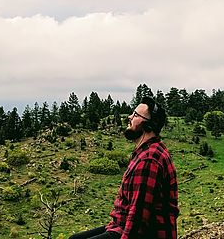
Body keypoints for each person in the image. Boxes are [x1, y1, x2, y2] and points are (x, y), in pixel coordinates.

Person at [69, 96, 179, 239]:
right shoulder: (146, 151)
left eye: (135, 115)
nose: (129, 117)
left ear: (148, 125)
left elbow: (139, 217)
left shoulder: (149, 159)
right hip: (121, 224)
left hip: (145, 232)